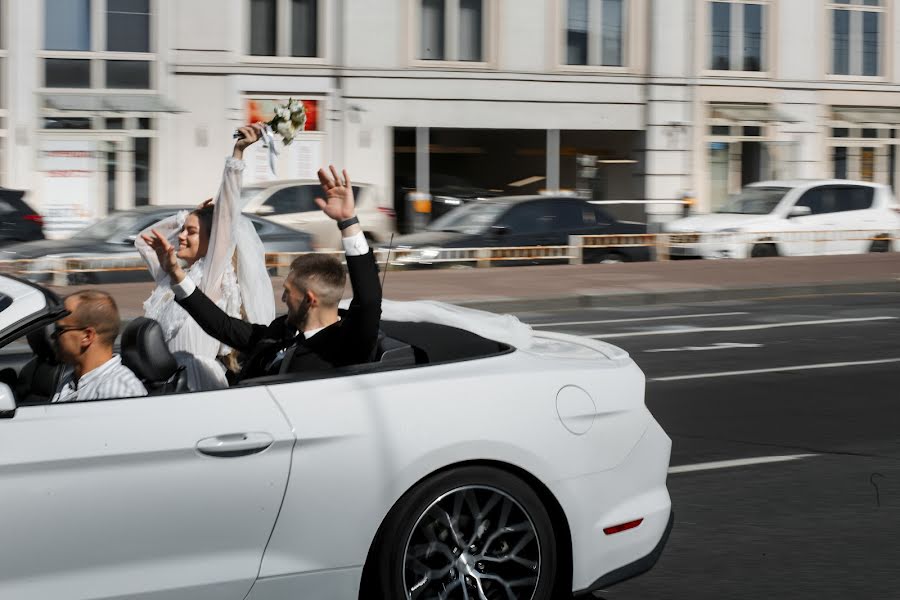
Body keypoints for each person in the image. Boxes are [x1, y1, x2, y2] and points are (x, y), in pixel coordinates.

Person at [143, 166, 382, 380]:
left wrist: (348, 221)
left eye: (288, 292)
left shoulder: (347, 343)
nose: (283, 298)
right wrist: (176, 274)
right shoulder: (279, 332)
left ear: (310, 300)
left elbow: (369, 299)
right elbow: (220, 325)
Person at [136, 124, 275, 390]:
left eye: (191, 232)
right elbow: (141, 240)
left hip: (196, 380)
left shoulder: (209, 280)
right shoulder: (170, 277)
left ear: (212, 243)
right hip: (163, 381)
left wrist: (237, 154)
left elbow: (226, 216)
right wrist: (189, 216)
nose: (181, 237)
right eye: (182, 231)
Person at [51, 291, 147, 403]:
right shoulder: (72, 380)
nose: (53, 336)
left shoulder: (117, 391)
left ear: (87, 336)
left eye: (60, 330)